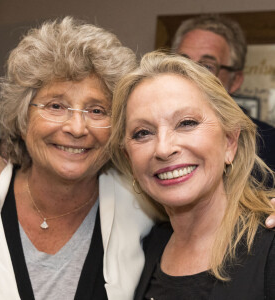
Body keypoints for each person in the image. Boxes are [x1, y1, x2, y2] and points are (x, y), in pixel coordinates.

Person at [0, 16, 156, 300]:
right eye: (56, 105)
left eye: (97, 110)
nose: (76, 128)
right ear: (22, 119)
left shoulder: (146, 213)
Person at [109, 51, 275, 299]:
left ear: (230, 142)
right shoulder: (148, 246)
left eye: (186, 123)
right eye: (142, 133)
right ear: (128, 157)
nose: (164, 149)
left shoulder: (269, 243)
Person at [172, 14, 275, 170]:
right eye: (183, 62)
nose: (190, 74)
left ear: (235, 81)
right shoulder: (152, 134)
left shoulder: (268, 144)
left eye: (207, 67)